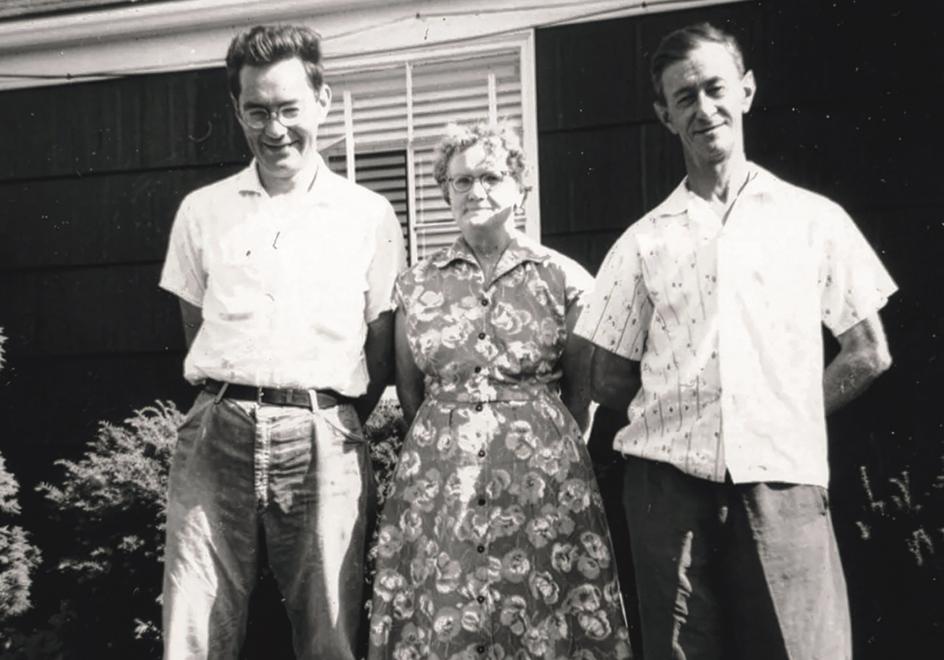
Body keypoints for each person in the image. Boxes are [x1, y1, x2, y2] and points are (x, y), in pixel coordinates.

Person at [574, 22, 896, 660]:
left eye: (716, 88)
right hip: (668, 491)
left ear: (746, 90)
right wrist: (691, 408)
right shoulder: (643, 240)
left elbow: (868, 352)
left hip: (783, 484)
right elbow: (606, 376)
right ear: (664, 116)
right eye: (685, 97)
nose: (704, 108)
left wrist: (779, 409)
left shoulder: (813, 220)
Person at [158, 25, 405, 659]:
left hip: (325, 434)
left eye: (289, 109)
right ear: (236, 110)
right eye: (258, 111)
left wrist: (319, 413)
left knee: (330, 631)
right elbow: (195, 326)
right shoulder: (202, 211)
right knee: (193, 629)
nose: (275, 130)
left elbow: (380, 348)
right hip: (218, 430)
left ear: (322, 102)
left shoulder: (368, 215)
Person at [367, 121, 632, 660]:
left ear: (519, 187)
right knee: (447, 608)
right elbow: (412, 391)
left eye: (490, 176)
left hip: (542, 479)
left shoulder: (564, 279)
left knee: (541, 607)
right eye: (460, 181)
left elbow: (580, 395)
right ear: (444, 192)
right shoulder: (416, 284)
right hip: (441, 478)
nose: (475, 191)